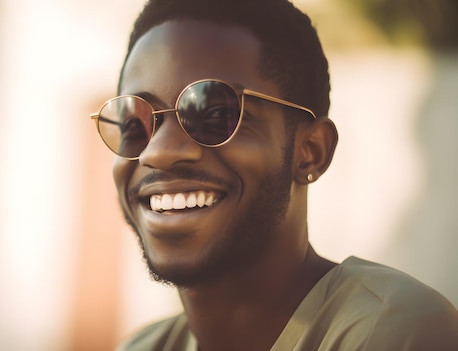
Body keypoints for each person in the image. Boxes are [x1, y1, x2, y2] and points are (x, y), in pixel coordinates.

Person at [89, 0, 458, 349]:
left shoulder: (394, 332)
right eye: (135, 126)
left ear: (311, 152)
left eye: (216, 116)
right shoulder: (143, 347)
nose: (159, 152)